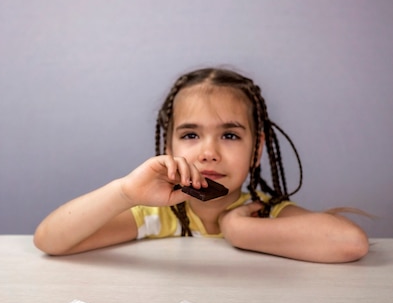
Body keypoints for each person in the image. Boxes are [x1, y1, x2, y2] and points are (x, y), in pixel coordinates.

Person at [34, 67, 369, 262]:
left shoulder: (262, 213)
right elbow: (49, 241)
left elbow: (350, 242)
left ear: (257, 150)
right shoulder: (156, 217)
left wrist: (241, 231)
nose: (209, 152)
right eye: (191, 135)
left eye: (230, 136)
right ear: (168, 147)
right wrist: (124, 192)